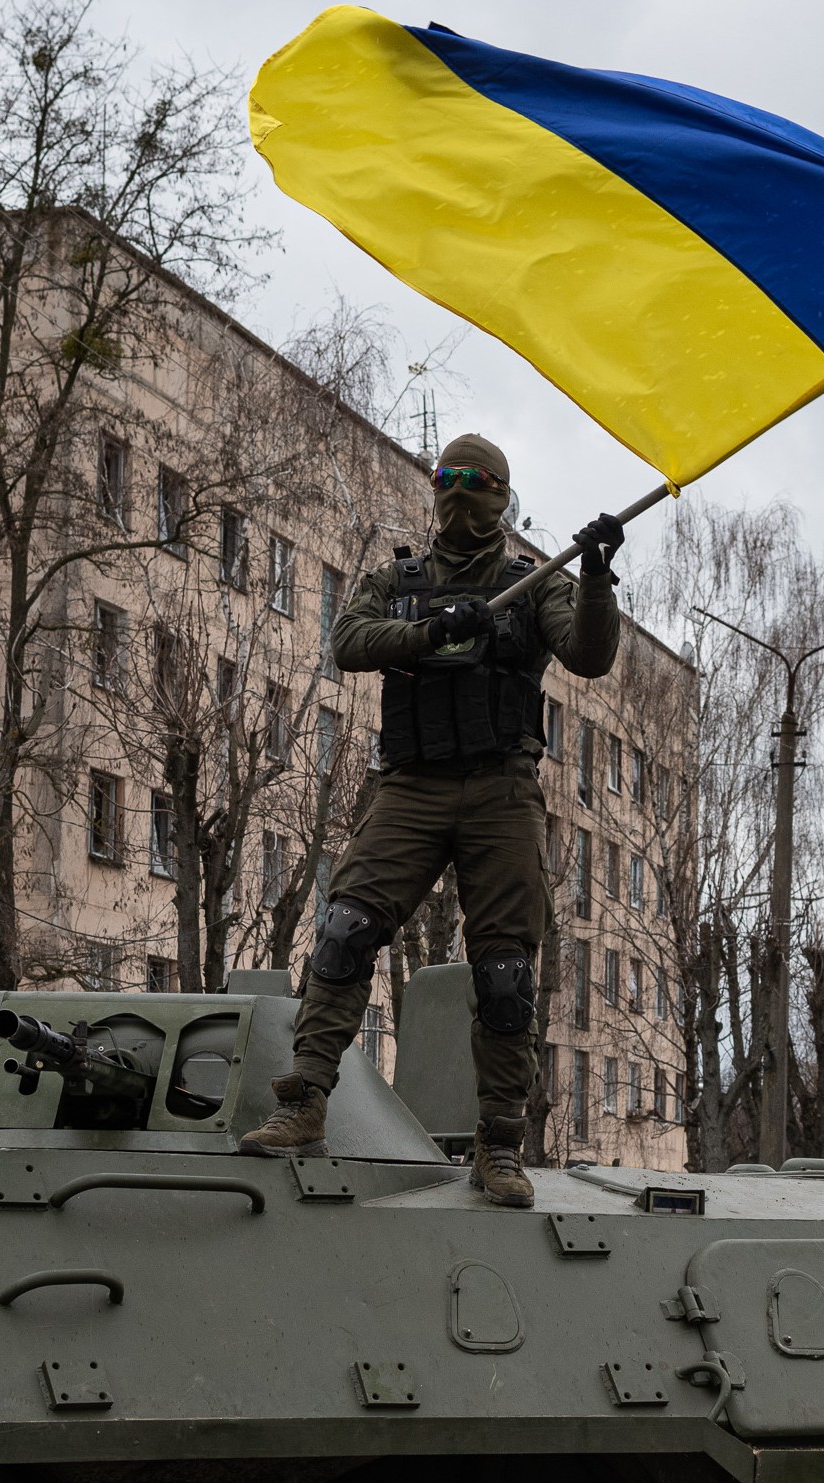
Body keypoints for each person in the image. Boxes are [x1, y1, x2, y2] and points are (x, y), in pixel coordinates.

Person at [240, 433, 623, 1207]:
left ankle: (500, 1143)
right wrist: (432, 630)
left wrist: (591, 577)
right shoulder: (398, 580)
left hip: (501, 790)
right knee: (346, 930)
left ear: (501, 497)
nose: (458, 491)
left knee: (506, 974)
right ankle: (306, 1099)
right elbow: (346, 642)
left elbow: (589, 654)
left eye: (475, 481)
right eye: (446, 477)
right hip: (411, 786)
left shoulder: (533, 582)